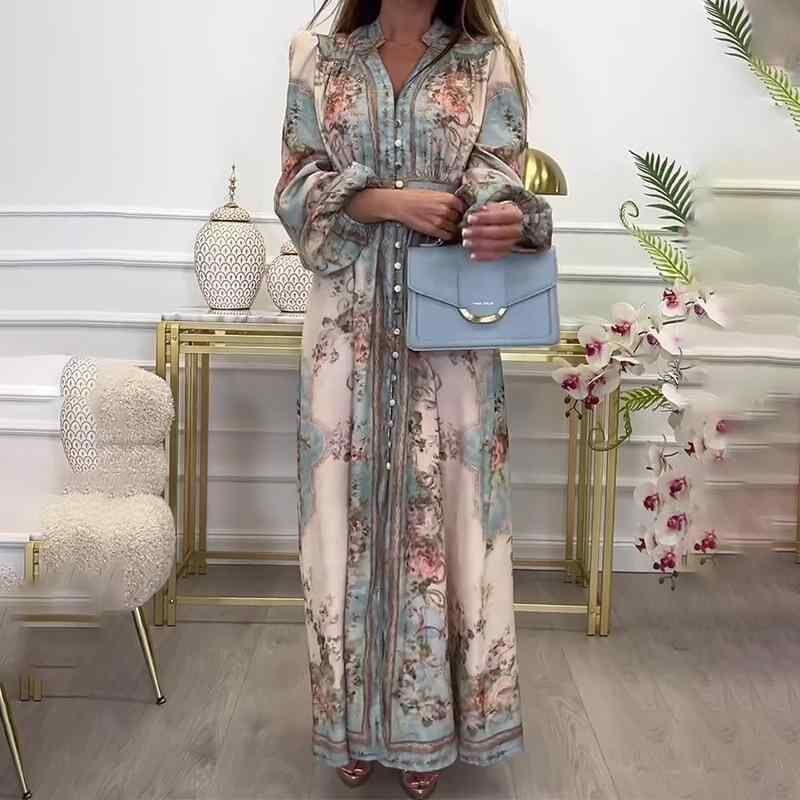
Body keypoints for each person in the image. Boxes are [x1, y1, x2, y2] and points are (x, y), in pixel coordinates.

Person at [274, 0, 552, 797]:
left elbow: (504, 177)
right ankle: (352, 725)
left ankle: (426, 733)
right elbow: (294, 186)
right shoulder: (315, 58)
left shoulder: (489, 60)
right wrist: (385, 201)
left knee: (450, 518)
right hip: (345, 332)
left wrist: (505, 219)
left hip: (451, 337)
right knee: (340, 520)